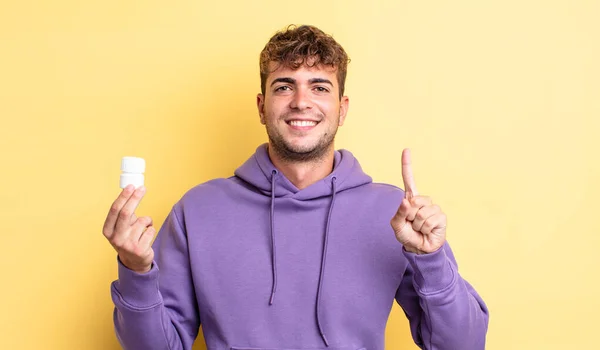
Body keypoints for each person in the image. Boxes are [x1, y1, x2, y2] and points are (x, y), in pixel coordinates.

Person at [103, 24, 489, 350]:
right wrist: (136, 271)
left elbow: (463, 344)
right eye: (284, 86)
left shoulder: (396, 215)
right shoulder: (198, 210)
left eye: (319, 87)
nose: (301, 102)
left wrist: (432, 260)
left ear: (342, 109)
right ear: (261, 105)